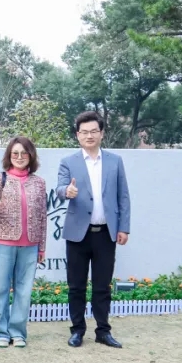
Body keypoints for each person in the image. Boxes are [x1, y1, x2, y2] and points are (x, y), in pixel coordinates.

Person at [56, 111, 131, 349]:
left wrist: (124, 227)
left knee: (102, 286)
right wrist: (67, 191)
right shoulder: (68, 162)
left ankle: (103, 331)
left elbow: (123, 196)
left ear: (102, 133)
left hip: (106, 233)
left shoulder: (115, 161)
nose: (89, 136)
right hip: (77, 234)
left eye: (94, 131)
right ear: (77, 135)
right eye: (84, 132)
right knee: (76, 286)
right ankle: (77, 330)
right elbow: (59, 189)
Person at [0, 136, 47, 348]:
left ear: (31, 155)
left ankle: (18, 332)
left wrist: (42, 247)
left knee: (24, 292)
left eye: (24, 153)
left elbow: (43, 217)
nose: (19, 157)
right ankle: (1, 332)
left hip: (30, 244)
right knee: (1, 290)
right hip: (2, 242)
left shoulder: (39, 183)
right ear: (9, 156)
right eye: (15, 153)